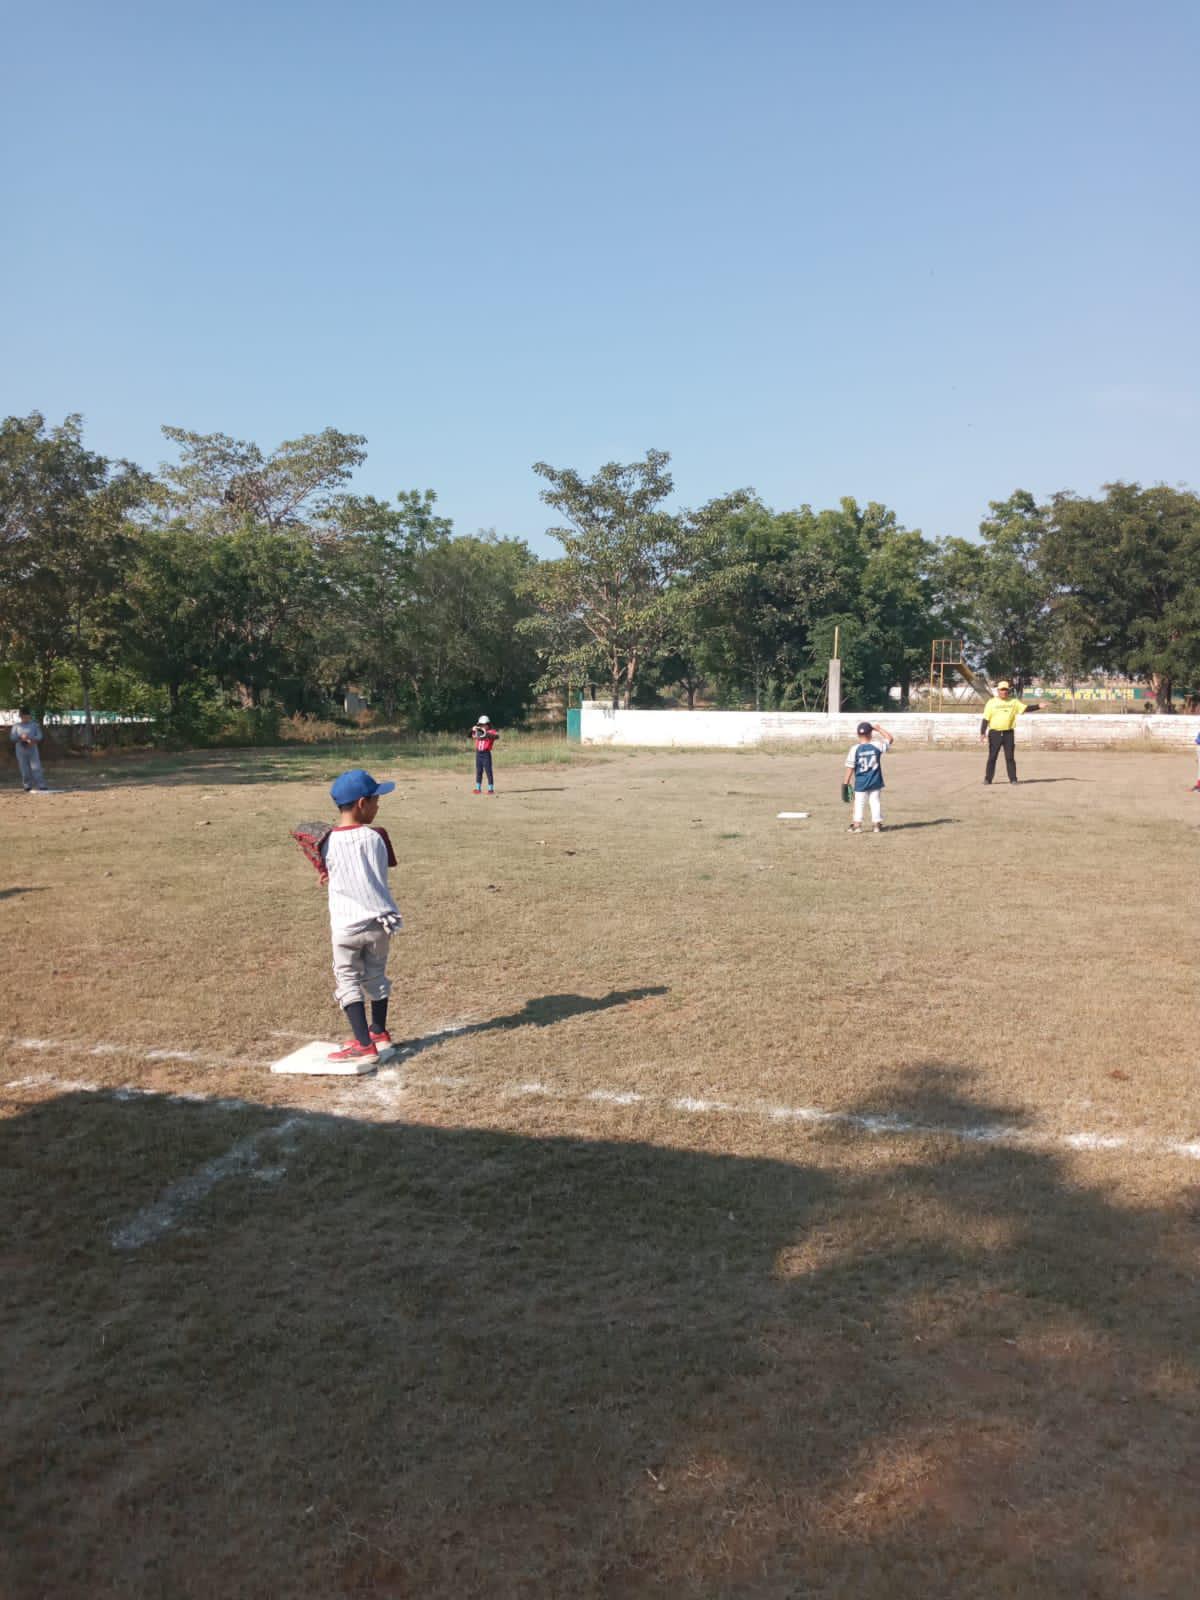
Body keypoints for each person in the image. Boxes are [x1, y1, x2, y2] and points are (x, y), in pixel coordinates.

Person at [324, 769, 402, 1065]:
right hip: (380, 922)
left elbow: (335, 870)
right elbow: (377, 868)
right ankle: (379, 1031)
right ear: (361, 803)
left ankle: (364, 1043)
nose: (378, 805)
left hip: (346, 925)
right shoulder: (377, 835)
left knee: (347, 979)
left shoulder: (327, 841)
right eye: (375, 799)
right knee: (376, 975)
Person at [843, 720, 894, 834]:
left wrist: (845, 783)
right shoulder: (877, 745)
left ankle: (857, 826)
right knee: (875, 802)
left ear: (858, 735)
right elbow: (890, 739)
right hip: (875, 780)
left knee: (859, 804)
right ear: (871, 734)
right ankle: (877, 825)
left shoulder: (854, 749)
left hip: (861, 782)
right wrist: (879, 729)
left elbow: (850, 767)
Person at [980, 680, 1025, 784]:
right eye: (1002, 690)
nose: (1004, 692)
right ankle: (988, 779)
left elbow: (1025, 708)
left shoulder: (1013, 702)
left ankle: (1013, 779)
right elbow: (986, 718)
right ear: (998, 690)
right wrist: (982, 732)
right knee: (992, 757)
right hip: (995, 733)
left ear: (1008, 690)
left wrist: (1038, 706)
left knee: (1010, 757)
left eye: (1005, 689)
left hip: (1008, 734)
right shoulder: (991, 702)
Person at [11, 710, 48, 792]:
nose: (26, 719)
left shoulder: (34, 725)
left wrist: (33, 740)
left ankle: (41, 785)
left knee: (36, 767)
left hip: (32, 748)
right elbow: (12, 738)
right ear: (20, 717)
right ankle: (27, 785)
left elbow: (39, 736)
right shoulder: (16, 726)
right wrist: (21, 737)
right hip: (21, 749)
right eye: (24, 717)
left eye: (27, 717)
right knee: (24, 768)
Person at [471, 715, 500, 794]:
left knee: (488, 771)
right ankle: (478, 788)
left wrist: (486, 734)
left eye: (483, 725)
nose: (481, 726)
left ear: (488, 724)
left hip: (486, 754)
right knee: (479, 771)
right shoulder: (478, 731)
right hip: (478, 753)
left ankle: (490, 789)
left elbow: (497, 736)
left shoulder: (491, 732)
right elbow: (471, 735)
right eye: (480, 725)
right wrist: (473, 730)